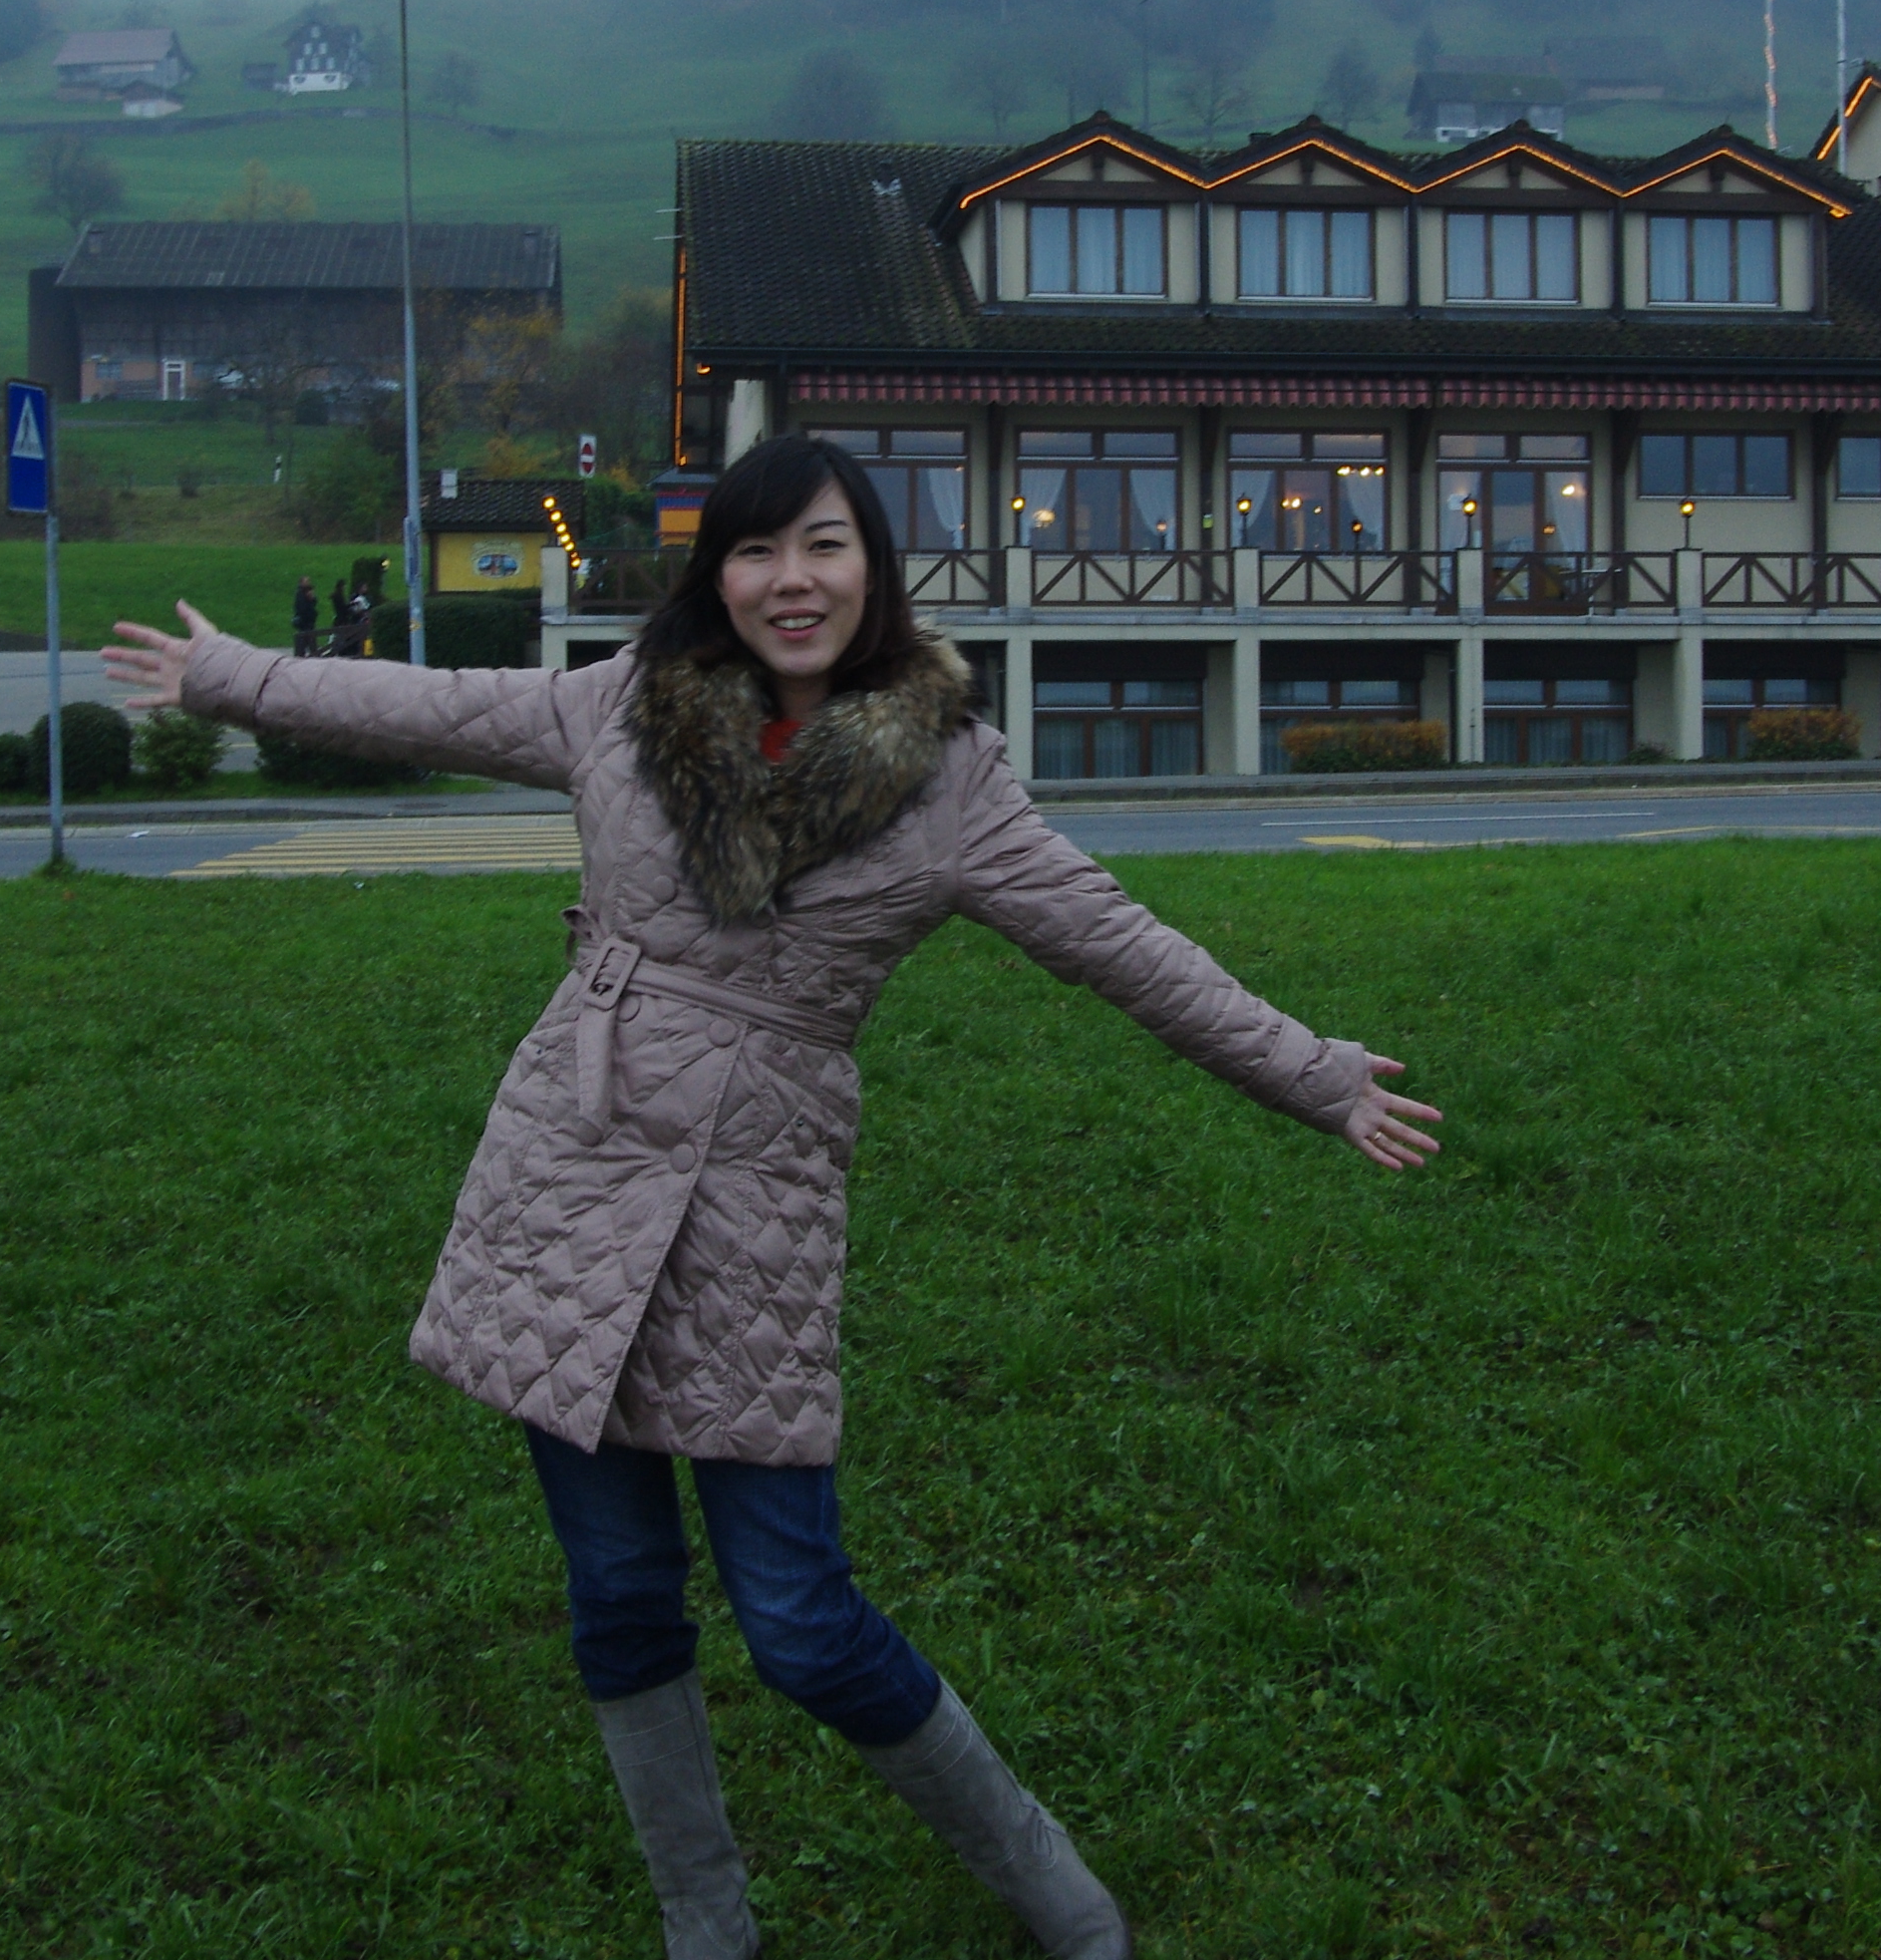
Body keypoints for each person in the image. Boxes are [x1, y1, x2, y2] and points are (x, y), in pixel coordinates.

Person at [107, 434, 1440, 1958]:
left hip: (757, 1198)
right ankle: (707, 1921)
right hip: (574, 1159)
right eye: (754, 550)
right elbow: (432, 705)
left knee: (800, 1619)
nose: (788, 581)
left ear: (872, 567)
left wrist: (1313, 1073)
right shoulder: (628, 702)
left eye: (821, 545)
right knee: (619, 1592)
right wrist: (231, 678)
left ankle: (1048, 1880)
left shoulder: (950, 783)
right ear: (717, 574)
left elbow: (1121, 944)